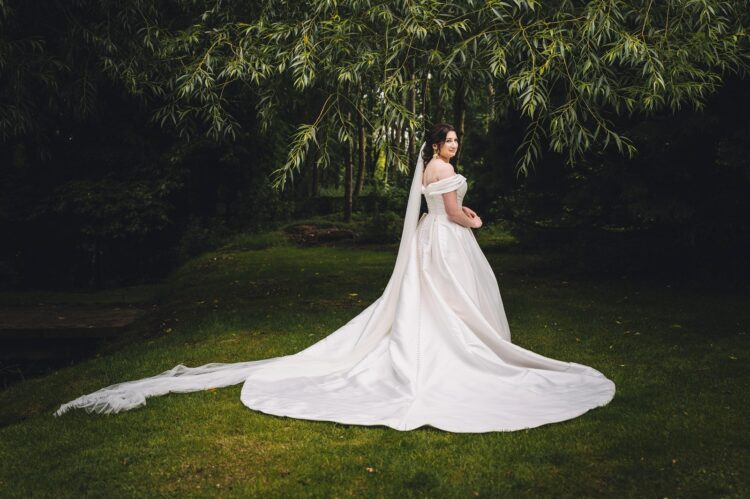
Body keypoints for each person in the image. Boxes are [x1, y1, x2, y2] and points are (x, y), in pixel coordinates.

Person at [54, 123, 616, 433]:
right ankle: (463, 351)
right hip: (444, 241)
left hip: (430, 242)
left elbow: (430, 207)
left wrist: (457, 213)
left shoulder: (427, 169)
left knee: (430, 302)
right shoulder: (442, 173)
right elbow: (447, 213)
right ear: (437, 147)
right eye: (449, 142)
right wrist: (473, 216)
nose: (454, 148)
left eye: (455, 143)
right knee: (452, 301)